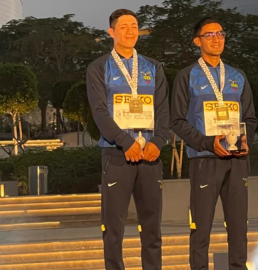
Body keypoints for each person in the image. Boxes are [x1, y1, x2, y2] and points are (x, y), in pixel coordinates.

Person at [170, 17, 257, 270]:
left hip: (237, 160)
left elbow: (250, 117)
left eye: (220, 34)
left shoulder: (237, 76)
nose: (216, 39)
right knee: (201, 229)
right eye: (209, 35)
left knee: (239, 229)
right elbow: (177, 120)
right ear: (197, 41)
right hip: (204, 161)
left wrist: (245, 140)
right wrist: (208, 143)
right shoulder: (186, 76)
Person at [86, 9, 169, 270]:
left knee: (153, 228)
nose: (131, 31)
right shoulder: (99, 67)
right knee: (113, 229)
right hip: (117, 155)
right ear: (111, 32)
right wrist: (126, 142)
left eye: (134, 26)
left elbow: (163, 110)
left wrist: (158, 141)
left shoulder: (153, 67)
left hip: (150, 155)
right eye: (124, 27)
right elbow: (100, 112)